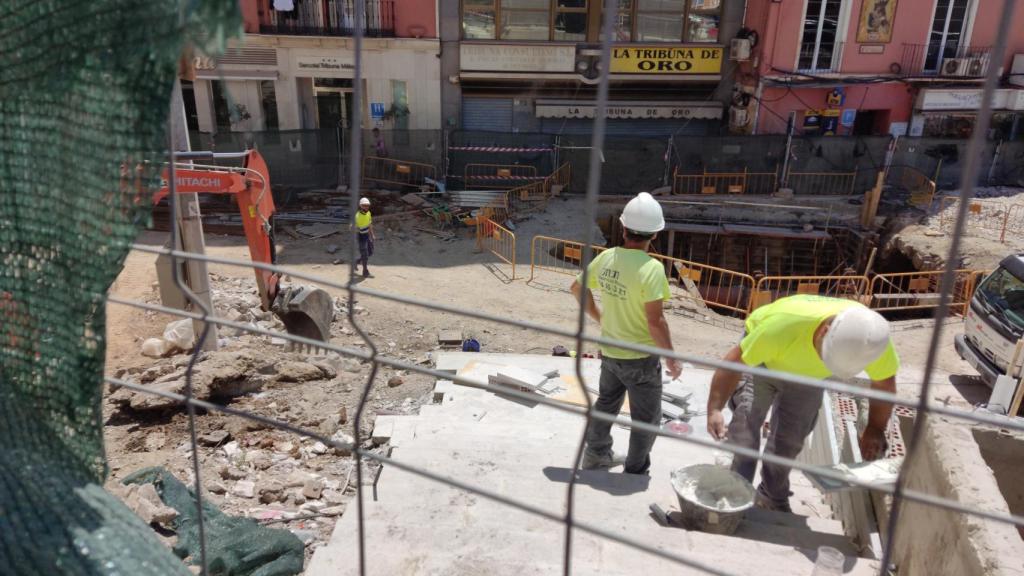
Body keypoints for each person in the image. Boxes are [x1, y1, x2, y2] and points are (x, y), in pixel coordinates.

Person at [706, 294, 898, 512]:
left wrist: (875, 427)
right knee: (745, 428)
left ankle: (772, 495)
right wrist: (714, 408)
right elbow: (733, 363)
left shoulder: (871, 340)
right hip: (763, 364)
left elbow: (884, 384)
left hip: (810, 378)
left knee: (790, 441)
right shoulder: (781, 327)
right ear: (825, 332)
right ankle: (736, 494)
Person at [571, 192, 683, 475]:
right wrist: (671, 358)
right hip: (641, 359)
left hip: (610, 352)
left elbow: (577, 288)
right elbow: (656, 321)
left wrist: (600, 318)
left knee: (606, 404)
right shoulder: (652, 269)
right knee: (646, 419)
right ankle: (635, 468)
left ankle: (596, 455)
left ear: (623, 229)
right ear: (655, 235)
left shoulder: (607, 257)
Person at [353, 197, 374, 278]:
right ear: (360, 206)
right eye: (364, 205)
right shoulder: (358, 216)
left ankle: (357, 261)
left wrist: (372, 235)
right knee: (365, 255)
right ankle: (365, 272)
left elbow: (370, 224)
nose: (366, 207)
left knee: (370, 252)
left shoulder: (368, 213)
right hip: (361, 237)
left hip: (367, 235)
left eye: (367, 205)